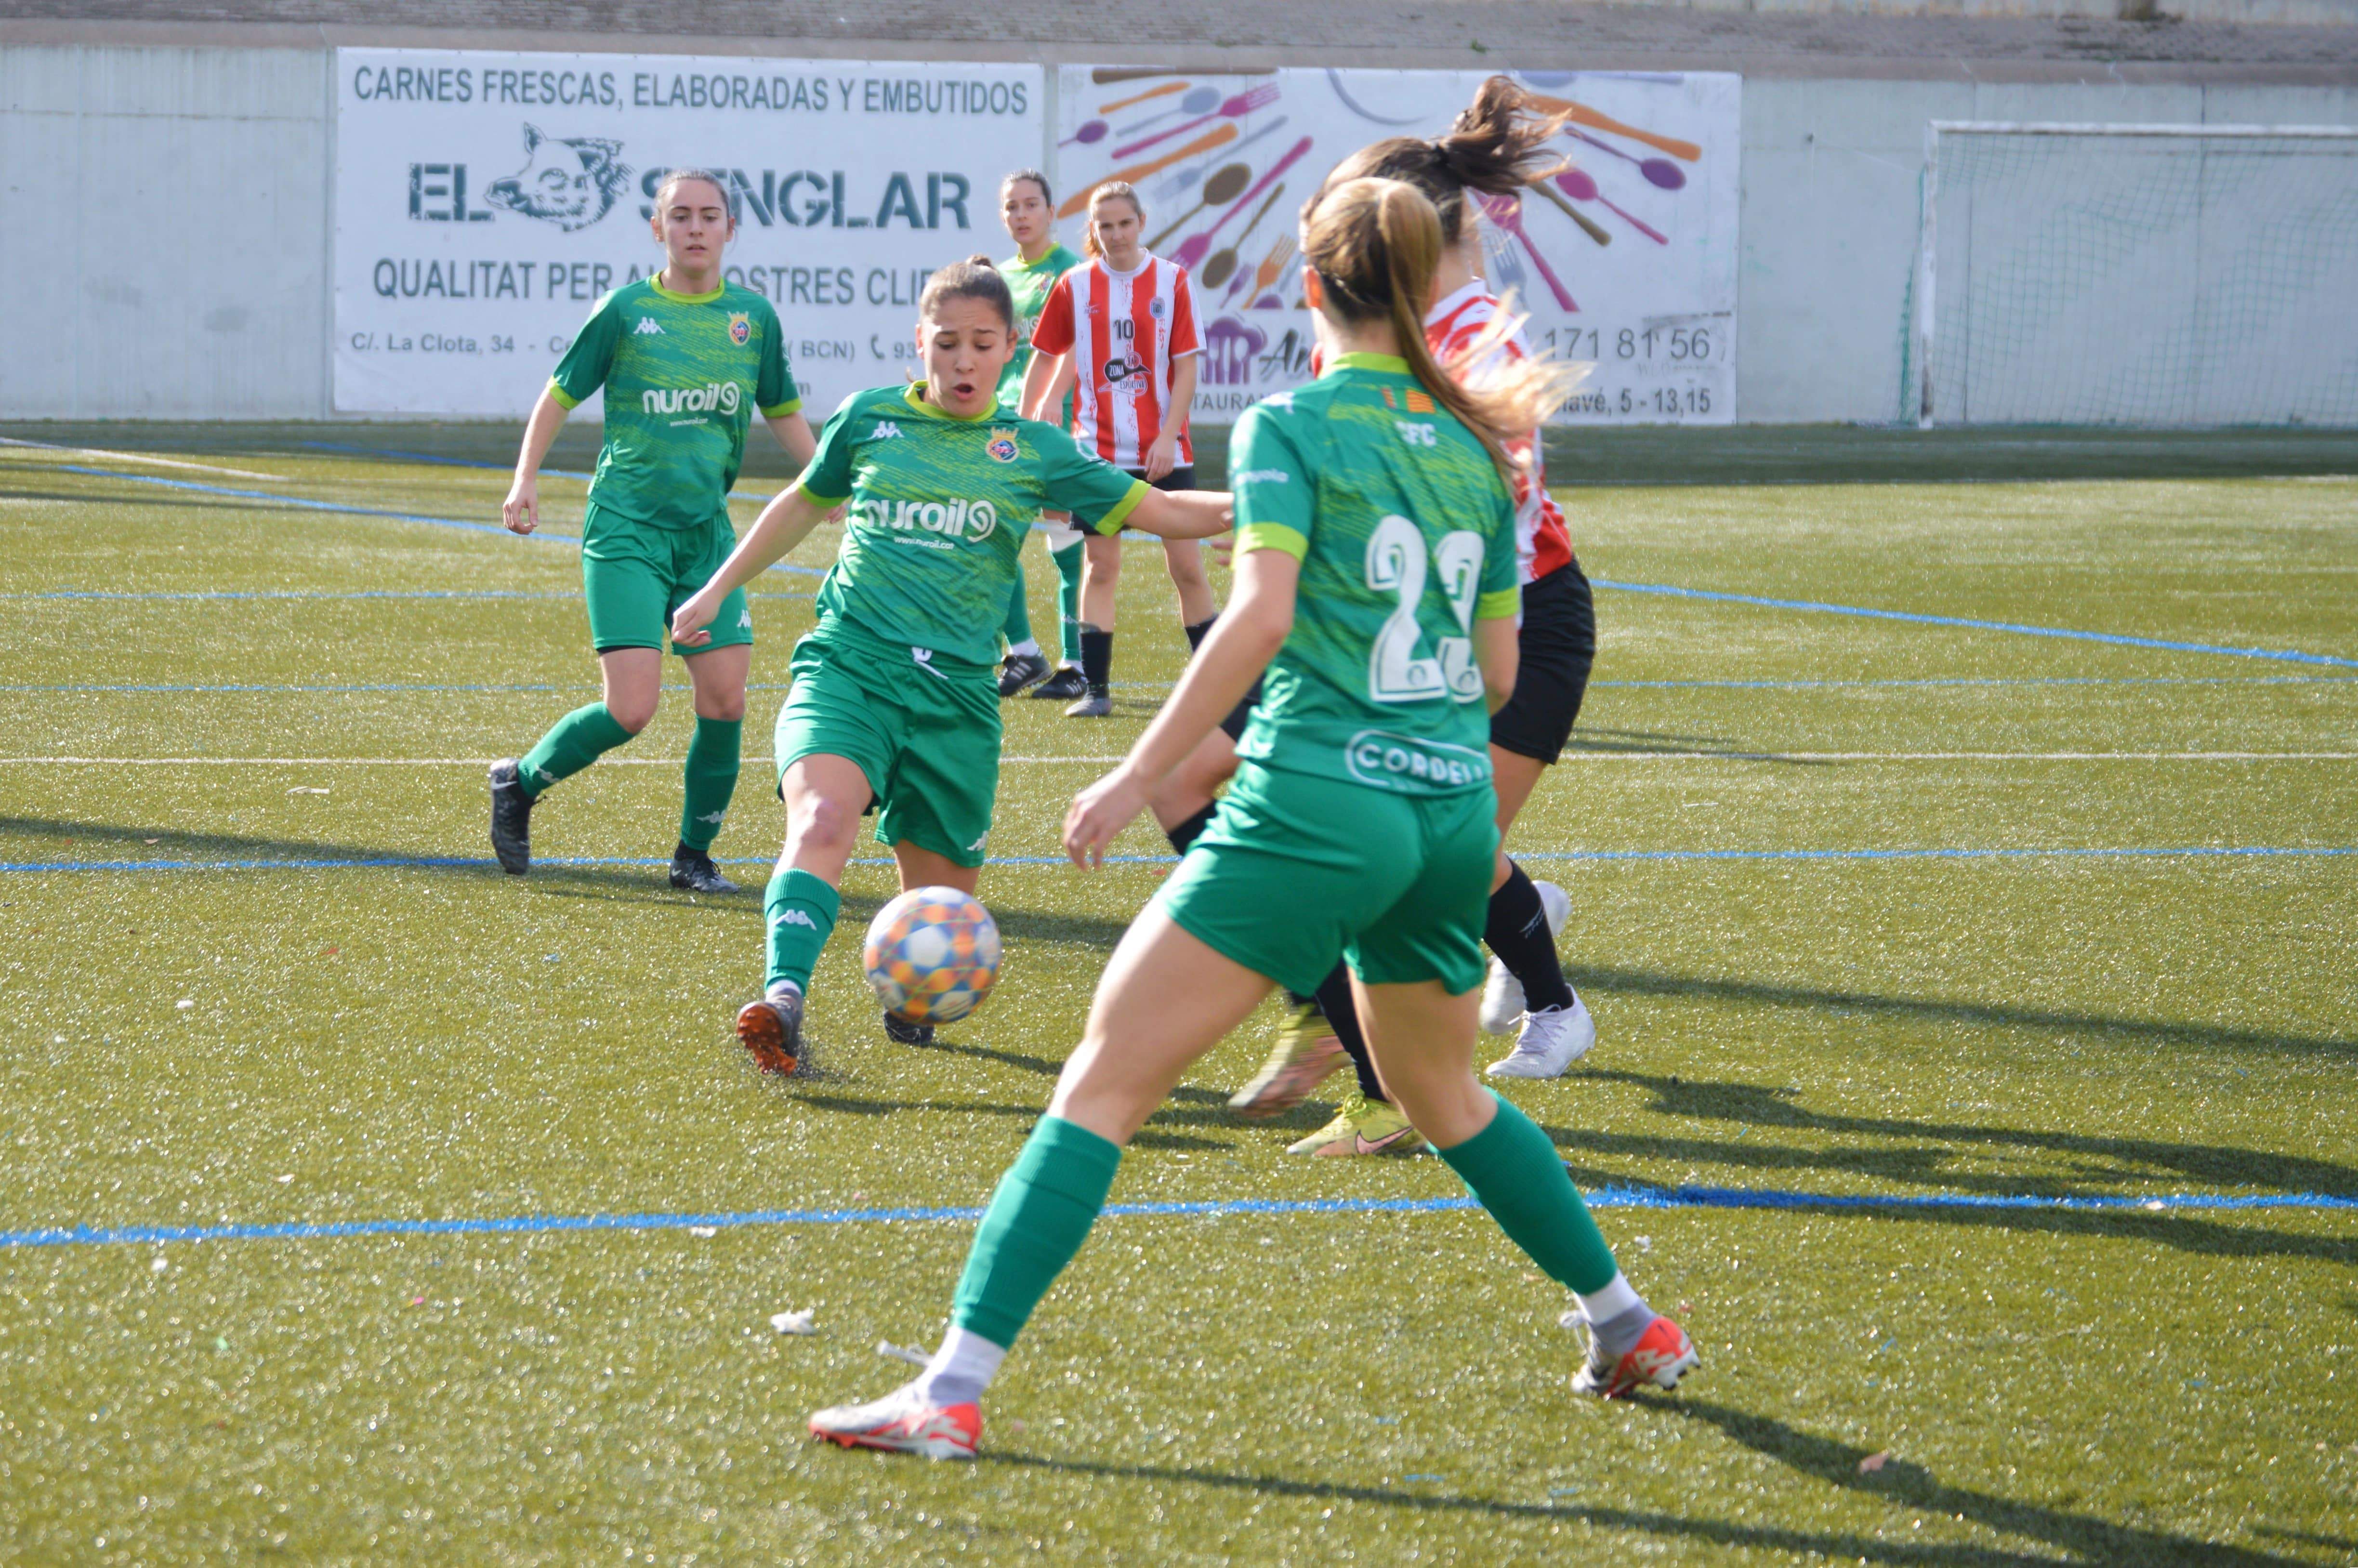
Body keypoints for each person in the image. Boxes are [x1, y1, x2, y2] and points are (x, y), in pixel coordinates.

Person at [807, 178, 1695, 1462]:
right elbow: (1498, 675)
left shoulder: (1288, 420)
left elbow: (1258, 613)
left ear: (1308, 280)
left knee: (1102, 1082)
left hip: (1314, 802)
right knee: (1440, 1089)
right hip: (1442, 809)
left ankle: (948, 1385)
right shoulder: (1473, 444)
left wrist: (1133, 776)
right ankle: (1623, 1321)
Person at [668, 255, 1231, 1073]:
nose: (963, 361)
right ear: (920, 343)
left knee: (938, 915)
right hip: (850, 668)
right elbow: (801, 503)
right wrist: (718, 588)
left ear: (1011, 349)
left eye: (981, 344)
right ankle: (783, 999)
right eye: (946, 343)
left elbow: (1169, 510)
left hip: (958, 701)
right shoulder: (869, 421)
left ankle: (913, 1002)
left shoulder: (1036, 450)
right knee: (821, 821)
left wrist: (1281, 502)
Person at [1216, 79, 1608, 1157]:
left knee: (1426, 847)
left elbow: (1500, 515)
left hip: (1514, 617)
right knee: (1255, 787)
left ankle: (1520, 1018)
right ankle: (1347, 1034)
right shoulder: (1364, 333)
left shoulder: (1476, 338)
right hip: (1403, 615)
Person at [490, 169, 815, 895]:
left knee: (726, 699)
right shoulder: (627, 310)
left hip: (705, 536)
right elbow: (559, 393)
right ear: (657, 228)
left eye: (709, 216)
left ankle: (692, 856)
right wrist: (525, 478)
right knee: (631, 708)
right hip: (627, 529)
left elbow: (783, 409)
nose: (695, 228)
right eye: (680, 216)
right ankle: (521, 780)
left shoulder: (752, 319)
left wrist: (831, 482)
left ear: (731, 229)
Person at [1022, 182, 1212, 718]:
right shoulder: (1075, 284)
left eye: (1124, 223)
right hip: (1096, 453)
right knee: (1100, 567)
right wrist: (1028, 417)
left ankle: (1211, 688)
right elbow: (1045, 353)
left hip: (1163, 452)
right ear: (1093, 231)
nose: (1115, 234)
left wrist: (1167, 436)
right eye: (1104, 226)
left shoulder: (1172, 280)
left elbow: (1187, 365)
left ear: (1141, 222)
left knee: (1188, 570)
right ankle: (1096, 691)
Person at [990, 169, 1090, 701]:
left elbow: (1077, 346)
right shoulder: (998, 278)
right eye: (1011, 207)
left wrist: (1051, 401)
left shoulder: (1070, 273)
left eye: (1031, 205)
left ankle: (1075, 664)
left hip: (1057, 425)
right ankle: (1024, 651)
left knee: (1067, 544)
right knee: (993, 537)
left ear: (1051, 213)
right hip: (1003, 428)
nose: (1021, 215)